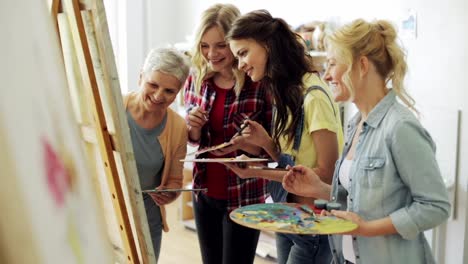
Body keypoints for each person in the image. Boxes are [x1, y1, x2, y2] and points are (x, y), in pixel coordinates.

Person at [282, 19, 451, 264]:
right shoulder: (355, 124)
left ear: (361, 65)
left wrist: (366, 228)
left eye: (332, 64)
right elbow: (359, 199)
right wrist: (318, 188)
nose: (327, 75)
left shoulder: (400, 127)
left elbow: (435, 206)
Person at [225, 10, 343, 264]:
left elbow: (324, 174)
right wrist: (266, 143)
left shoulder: (314, 97)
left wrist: (256, 172)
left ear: (267, 44)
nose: (241, 64)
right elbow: (295, 164)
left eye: (243, 53)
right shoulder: (286, 94)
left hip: (312, 222)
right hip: (287, 213)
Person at [184, 4, 273, 264]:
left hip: (245, 196)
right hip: (204, 193)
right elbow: (193, 140)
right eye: (204, 45)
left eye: (220, 45)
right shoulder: (196, 79)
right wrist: (194, 126)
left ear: (235, 43)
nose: (211, 54)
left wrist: (250, 145)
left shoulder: (259, 83)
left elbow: (275, 149)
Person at [123, 47, 190, 262]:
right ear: (141, 76)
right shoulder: (113, 107)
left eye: (169, 91)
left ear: (178, 91)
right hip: (108, 210)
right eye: (153, 84)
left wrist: (170, 193)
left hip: (147, 216)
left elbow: (174, 180)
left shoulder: (178, 127)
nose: (159, 96)